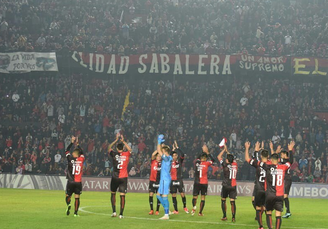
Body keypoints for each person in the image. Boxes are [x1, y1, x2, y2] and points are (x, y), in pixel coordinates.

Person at [260, 141, 294, 229]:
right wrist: (290, 150)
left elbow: (262, 161)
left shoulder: (267, 166)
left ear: (271, 160)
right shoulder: (283, 167)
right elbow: (290, 161)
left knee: (269, 213)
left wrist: (263, 150)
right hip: (279, 195)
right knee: (278, 214)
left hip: (270, 194)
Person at [245, 141, 269, 229]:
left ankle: (261, 226)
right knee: (266, 208)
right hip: (267, 190)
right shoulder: (271, 165)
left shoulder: (258, 164)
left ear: (261, 156)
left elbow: (248, 159)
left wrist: (247, 148)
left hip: (259, 188)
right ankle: (269, 225)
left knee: (258, 207)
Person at [108, 133, 132, 219]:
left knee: (113, 194)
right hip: (123, 178)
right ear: (123, 148)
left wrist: (115, 140)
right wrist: (124, 141)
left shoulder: (114, 154)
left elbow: (109, 147)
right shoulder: (126, 154)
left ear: (117, 148)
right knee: (122, 195)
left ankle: (114, 212)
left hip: (115, 177)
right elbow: (130, 150)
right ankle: (121, 214)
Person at [191, 144, 215, 216]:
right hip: (204, 183)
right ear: (205, 158)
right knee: (203, 197)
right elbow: (213, 160)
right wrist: (207, 152)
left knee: (195, 196)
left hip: (197, 182)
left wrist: (202, 151)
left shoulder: (196, 162)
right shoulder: (207, 163)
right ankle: (200, 212)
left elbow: (197, 158)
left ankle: (194, 207)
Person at [65, 136, 85, 217]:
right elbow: (82, 152)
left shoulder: (70, 159)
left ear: (74, 154)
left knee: (67, 195)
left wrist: (72, 142)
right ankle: (76, 213)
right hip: (78, 182)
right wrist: (77, 144)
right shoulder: (81, 159)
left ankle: (68, 204)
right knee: (77, 197)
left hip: (70, 181)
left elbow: (66, 150)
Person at [218, 144, 238, 222]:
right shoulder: (235, 164)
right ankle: (233, 217)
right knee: (232, 202)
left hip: (226, 185)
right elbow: (231, 158)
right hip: (233, 185)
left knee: (223, 200)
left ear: (227, 160)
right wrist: (227, 151)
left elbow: (219, 157)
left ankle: (224, 216)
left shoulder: (225, 165)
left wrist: (223, 150)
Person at [156, 134, 172, 220]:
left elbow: (158, 150)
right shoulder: (168, 157)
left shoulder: (167, 158)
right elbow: (161, 149)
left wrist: (158, 141)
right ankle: (167, 209)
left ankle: (166, 214)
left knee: (164, 196)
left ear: (165, 152)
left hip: (165, 179)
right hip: (164, 179)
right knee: (158, 196)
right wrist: (162, 143)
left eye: (163, 151)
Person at [170, 140, 189, 214]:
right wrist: (172, 150)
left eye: (175, 155)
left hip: (179, 179)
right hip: (172, 180)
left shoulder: (179, 161)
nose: (175, 156)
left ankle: (185, 207)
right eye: (173, 155)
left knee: (182, 194)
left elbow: (182, 154)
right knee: (173, 195)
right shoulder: (170, 162)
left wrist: (177, 148)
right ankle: (176, 210)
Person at [279, 146, 294, 218]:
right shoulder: (283, 160)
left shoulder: (287, 161)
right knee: (282, 195)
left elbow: (291, 160)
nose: (281, 156)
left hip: (287, 179)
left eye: (282, 154)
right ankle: (284, 210)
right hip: (284, 179)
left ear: (285, 155)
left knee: (284, 195)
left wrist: (290, 150)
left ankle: (287, 212)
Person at [148, 150, 161, 215]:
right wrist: (158, 149)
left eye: (160, 156)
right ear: (156, 157)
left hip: (159, 181)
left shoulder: (163, 163)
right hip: (152, 181)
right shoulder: (153, 161)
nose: (159, 157)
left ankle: (157, 210)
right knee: (151, 194)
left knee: (158, 196)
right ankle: (151, 210)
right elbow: (153, 155)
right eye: (158, 156)